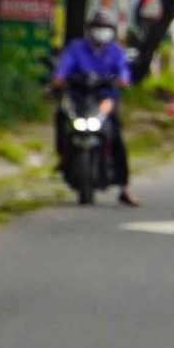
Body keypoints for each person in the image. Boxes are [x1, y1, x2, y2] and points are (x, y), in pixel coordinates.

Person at [52, 12, 139, 207]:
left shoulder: (116, 51)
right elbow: (64, 66)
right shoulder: (76, 47)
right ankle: (62, 156)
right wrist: (59, 77)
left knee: (116, 136)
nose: (101, 32)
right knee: (60, 118)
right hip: (78, 97)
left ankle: (125, 187)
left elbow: (123, 70)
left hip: (104, 99)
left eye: (105, 28)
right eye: (97, 27)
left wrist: (123, 79)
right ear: (89, 29)